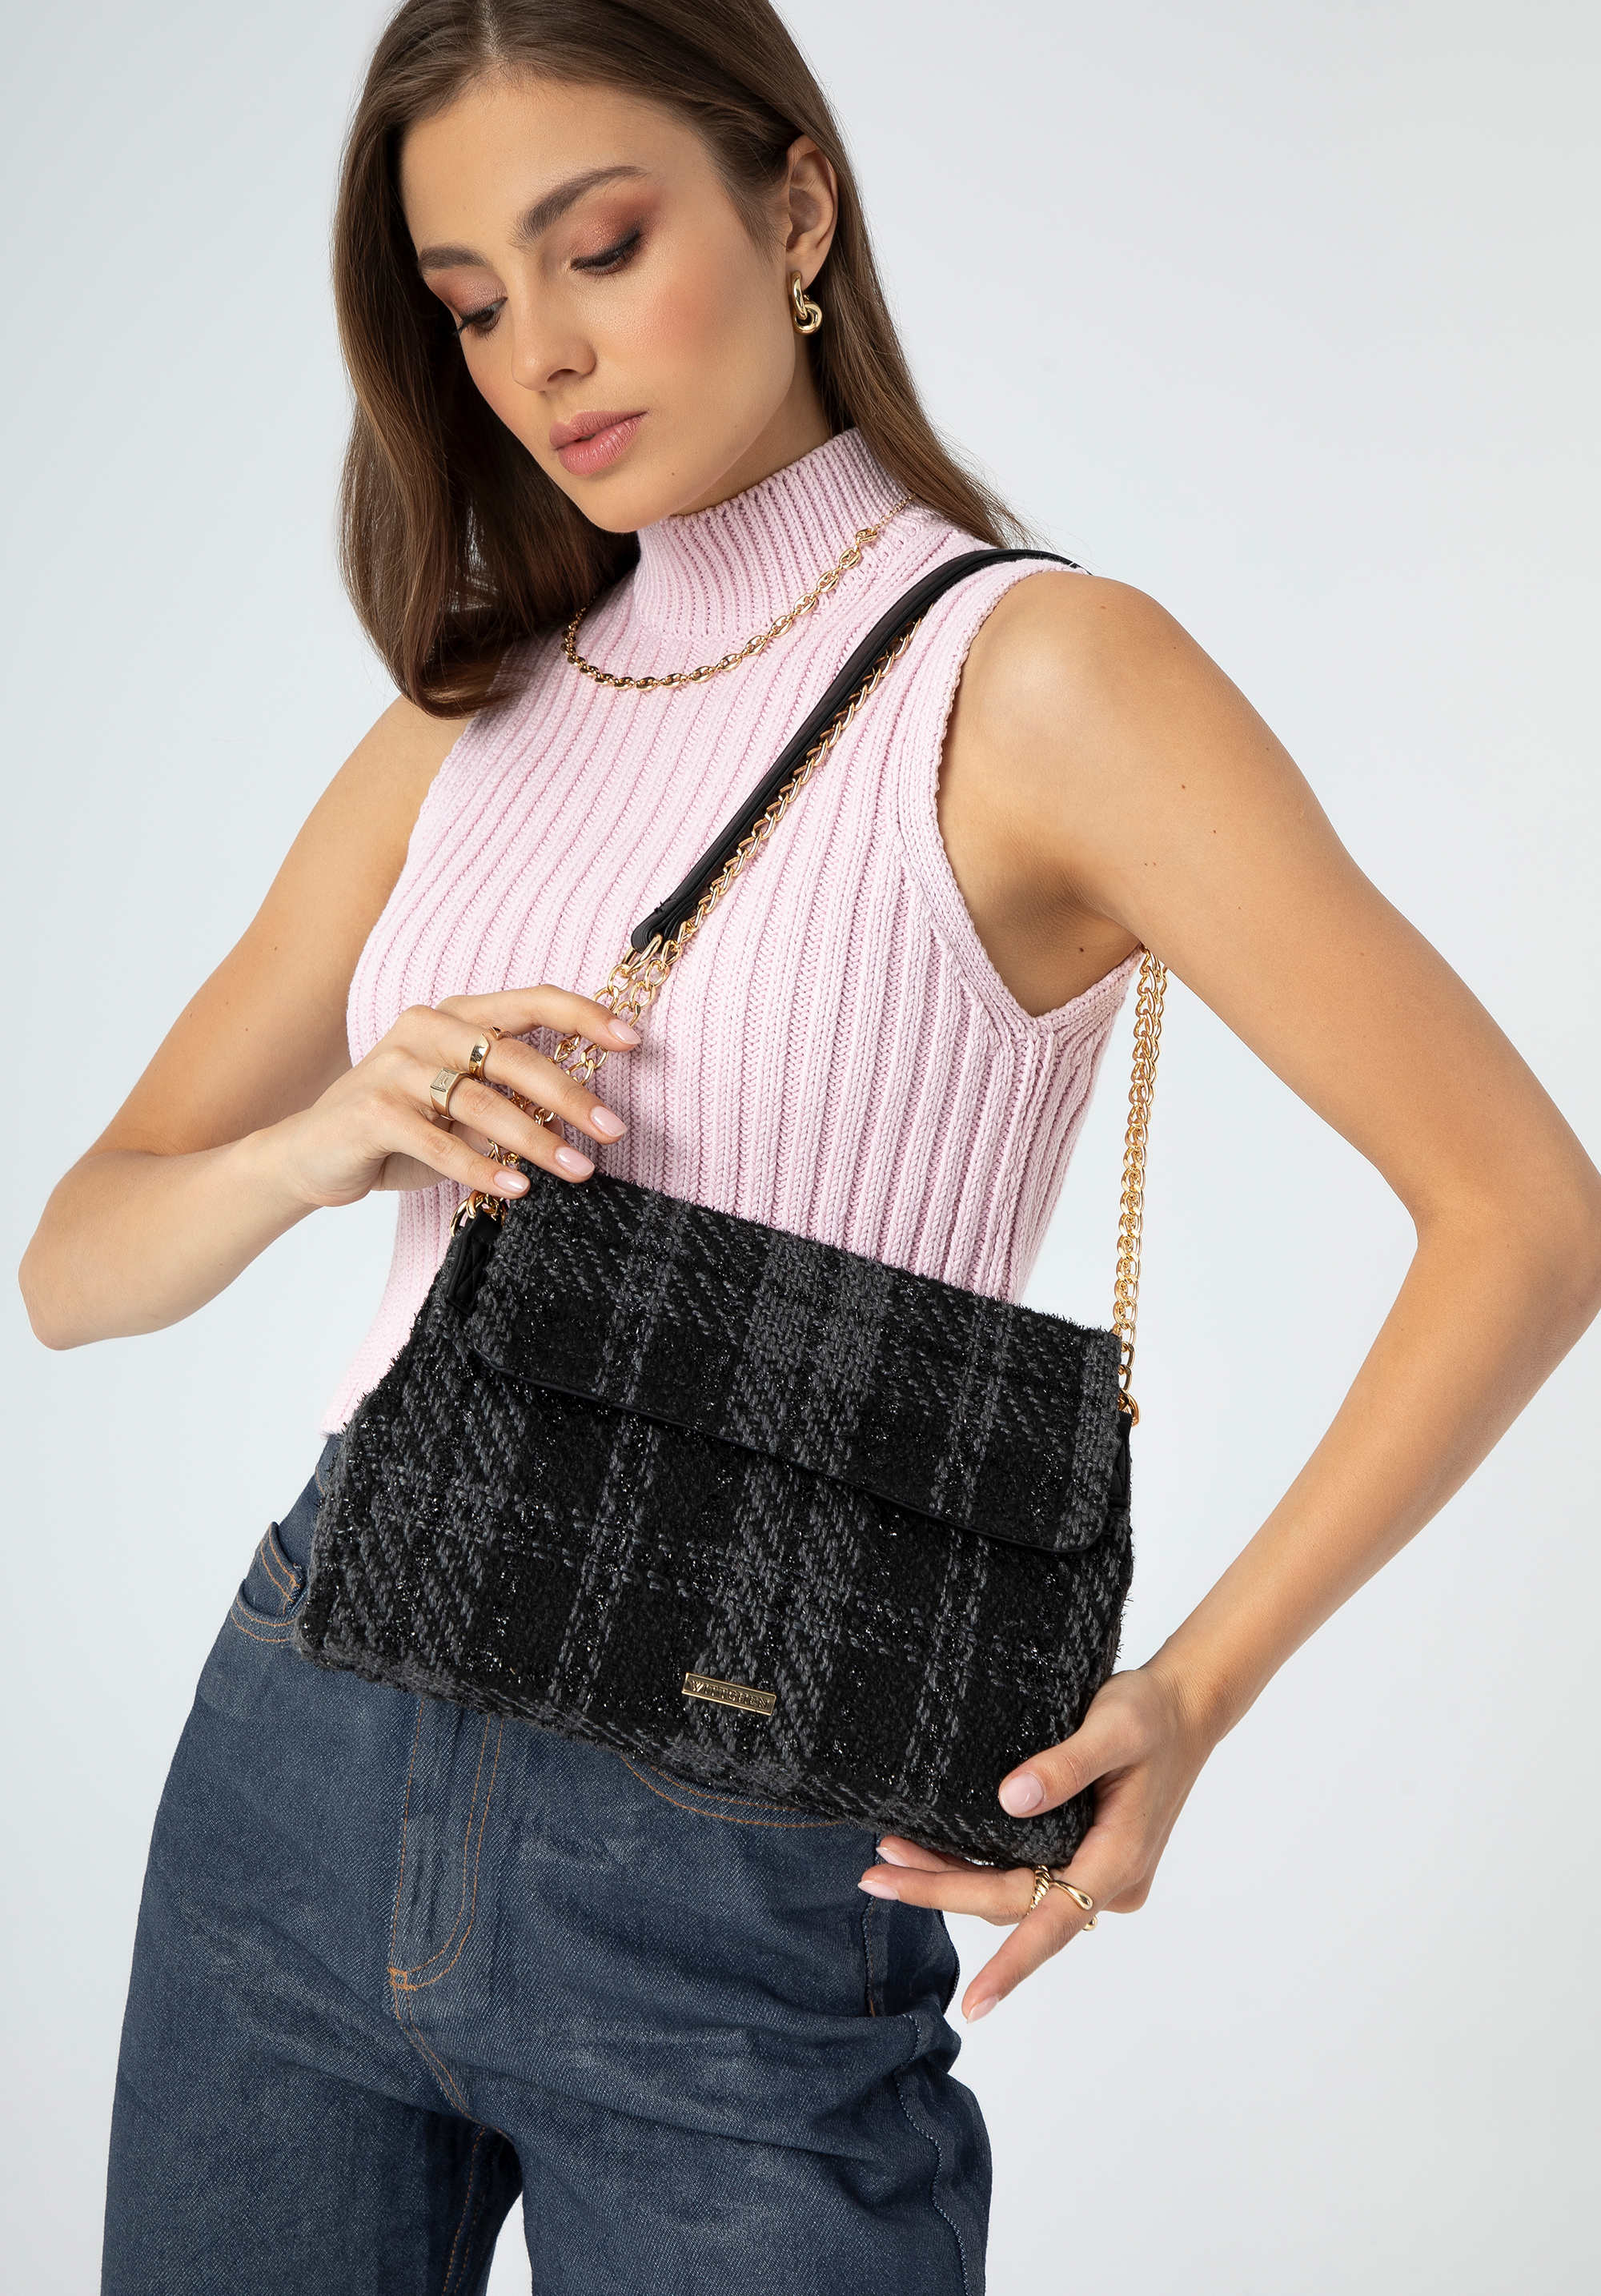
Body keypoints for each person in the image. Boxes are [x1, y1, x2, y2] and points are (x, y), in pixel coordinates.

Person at [20, 2, 1599, 2289]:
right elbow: (70, 1265)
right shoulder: (464, 727)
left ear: (796, 205)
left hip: (748, 1838)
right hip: (305, 1751)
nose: (544, 356)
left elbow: (1525, 1212)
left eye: (599, 245)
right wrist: (326, 1143)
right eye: (471, 303)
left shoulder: (1038, 676)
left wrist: (1194, 1692)